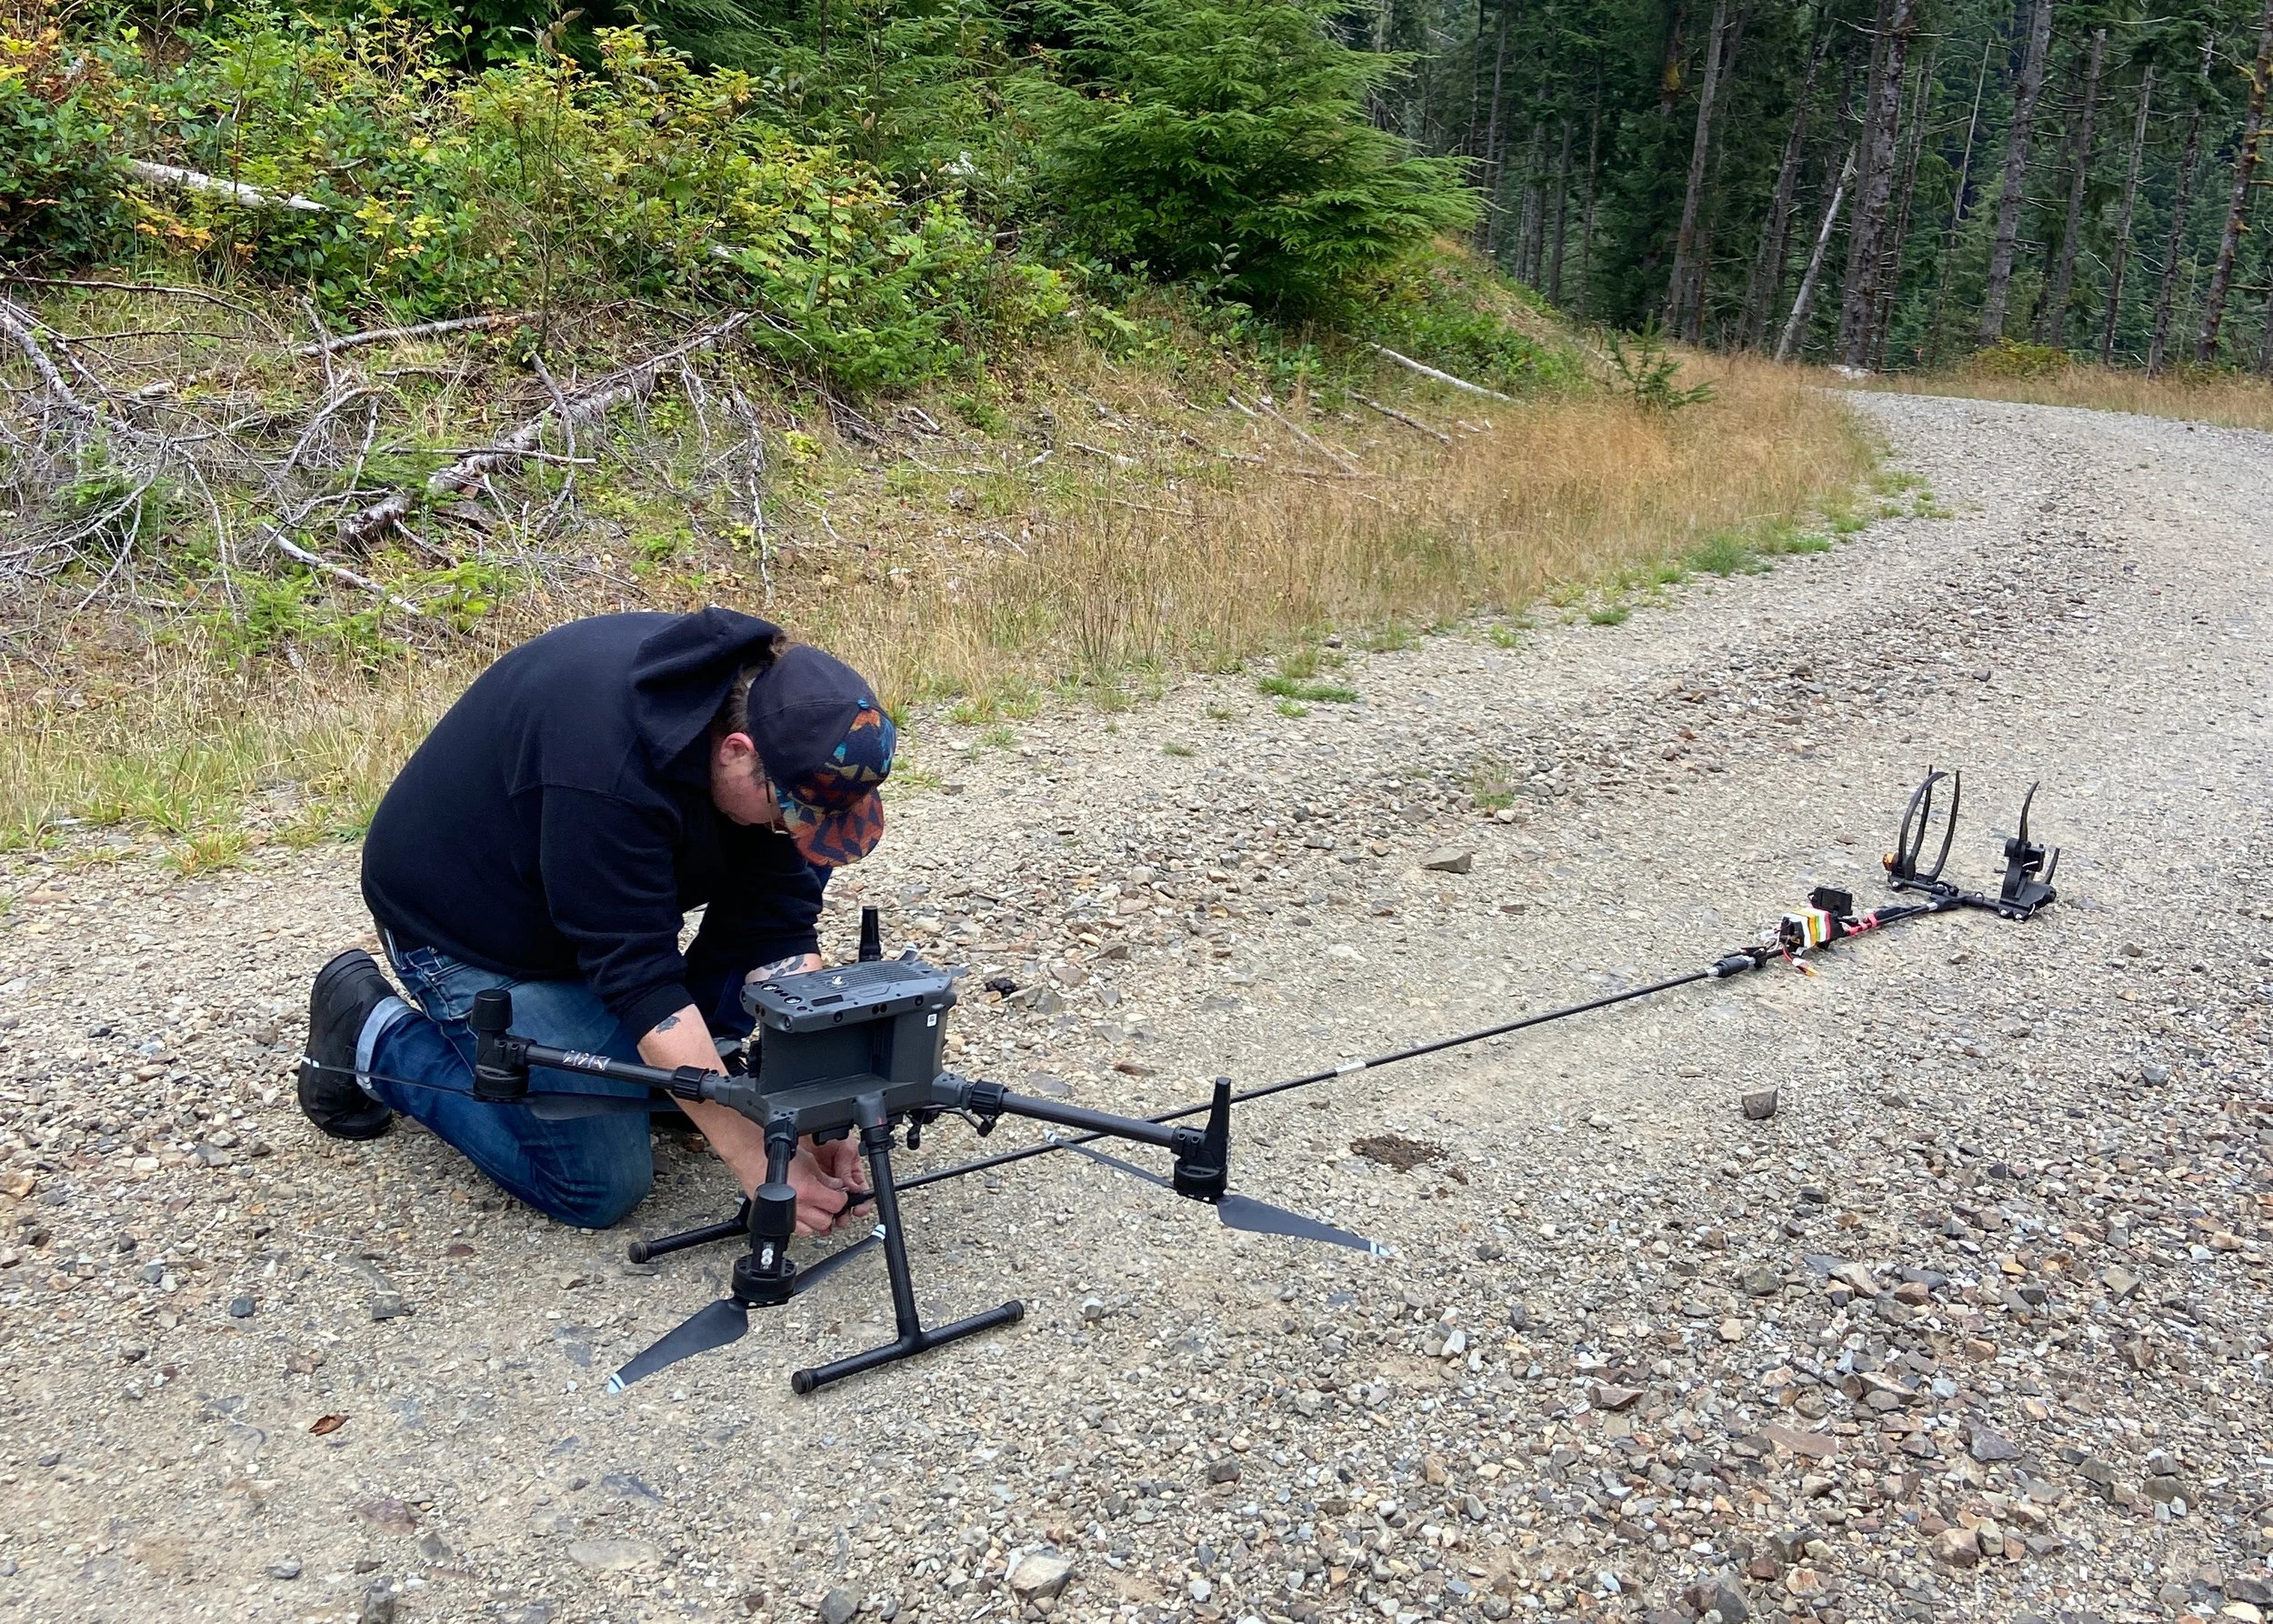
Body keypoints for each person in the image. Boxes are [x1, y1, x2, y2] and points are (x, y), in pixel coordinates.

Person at [297, 607, 892, 1234]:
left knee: (786, 866)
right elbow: (638, 980)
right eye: (789, 813)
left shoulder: (784, 731)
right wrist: (760, 1161)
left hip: (588, 892)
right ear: (738, 751)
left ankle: (694, 1061)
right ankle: (370, 1032)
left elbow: (780, 929)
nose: (796, 831)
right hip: (468, 924)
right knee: (600, 1183)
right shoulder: (606, 771)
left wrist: (815, 1113)